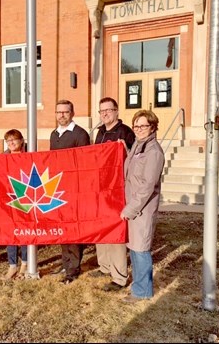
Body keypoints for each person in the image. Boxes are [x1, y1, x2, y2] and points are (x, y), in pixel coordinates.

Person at [90, 97, 135, 292]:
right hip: (101, 189)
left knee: (115, 231)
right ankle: (105, 266)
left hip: (118, 190)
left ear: (117, 111)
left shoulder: (126, 132)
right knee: (102, 228)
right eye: (102, 111)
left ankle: (119, 276)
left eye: (109, 110)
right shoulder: (99, 132)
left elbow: (134, 159)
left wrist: (123, 149)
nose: (105, 114)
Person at [120, 110, 164, 303]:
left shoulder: (154, 152)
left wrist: (130, 209)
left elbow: (147, 186)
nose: (139, 129)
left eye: (143, 126)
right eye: (136, 126)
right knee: (135, 248)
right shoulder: (138, 146)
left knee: (141, 249)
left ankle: (142, 292)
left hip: (142, 209)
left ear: (152, 127)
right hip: (133, 206)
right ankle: (139, 287)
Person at [50, 99, 90, 284]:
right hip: (57, 189)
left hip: (74, 190)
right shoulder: (54, 134)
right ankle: (66, 263)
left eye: (65, 112)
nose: (62, 115)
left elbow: (84, 164)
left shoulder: (80, 134)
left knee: (73, 230)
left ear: (72, 113)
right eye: (59, 112)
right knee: (62, 228)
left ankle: (73, 269)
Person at [2, 129, 28, 280]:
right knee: (10, 232)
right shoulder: (2, 158)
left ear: (21, 141)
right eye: (8, 140)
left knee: (24, 231)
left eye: (14, 140)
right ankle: (12, 265)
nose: (11, 143)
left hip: (24, 198)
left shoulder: (29, 156)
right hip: (7, 198)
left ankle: (25, 263)